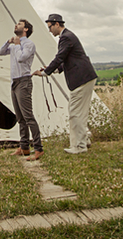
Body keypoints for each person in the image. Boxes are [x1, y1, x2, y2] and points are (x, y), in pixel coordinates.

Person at [33, 14, 97, 154]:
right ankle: (84, 140)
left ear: (57, 24)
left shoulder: (65, 37)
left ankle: (79, 146)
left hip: (81, 78)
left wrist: (45, 72)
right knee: (81, 112)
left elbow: (60, 57)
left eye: (50, 27)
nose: (49, 30)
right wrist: (53, 70)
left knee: (75, 113)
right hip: (86, 76)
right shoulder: (68, 36)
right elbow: (66, 60)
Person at [0, 19, 43, 161]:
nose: (16, 25)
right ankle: (24, 147)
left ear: (26, 30)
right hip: (14, 82)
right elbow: (0, 52)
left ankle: (38, 148)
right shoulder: (14, 45)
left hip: (24, 81)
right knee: (20, 118)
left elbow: (21, 58)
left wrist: (17, 45)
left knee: (28, 116)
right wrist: (9, 42)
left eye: (19, 24)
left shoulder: (29, 45)